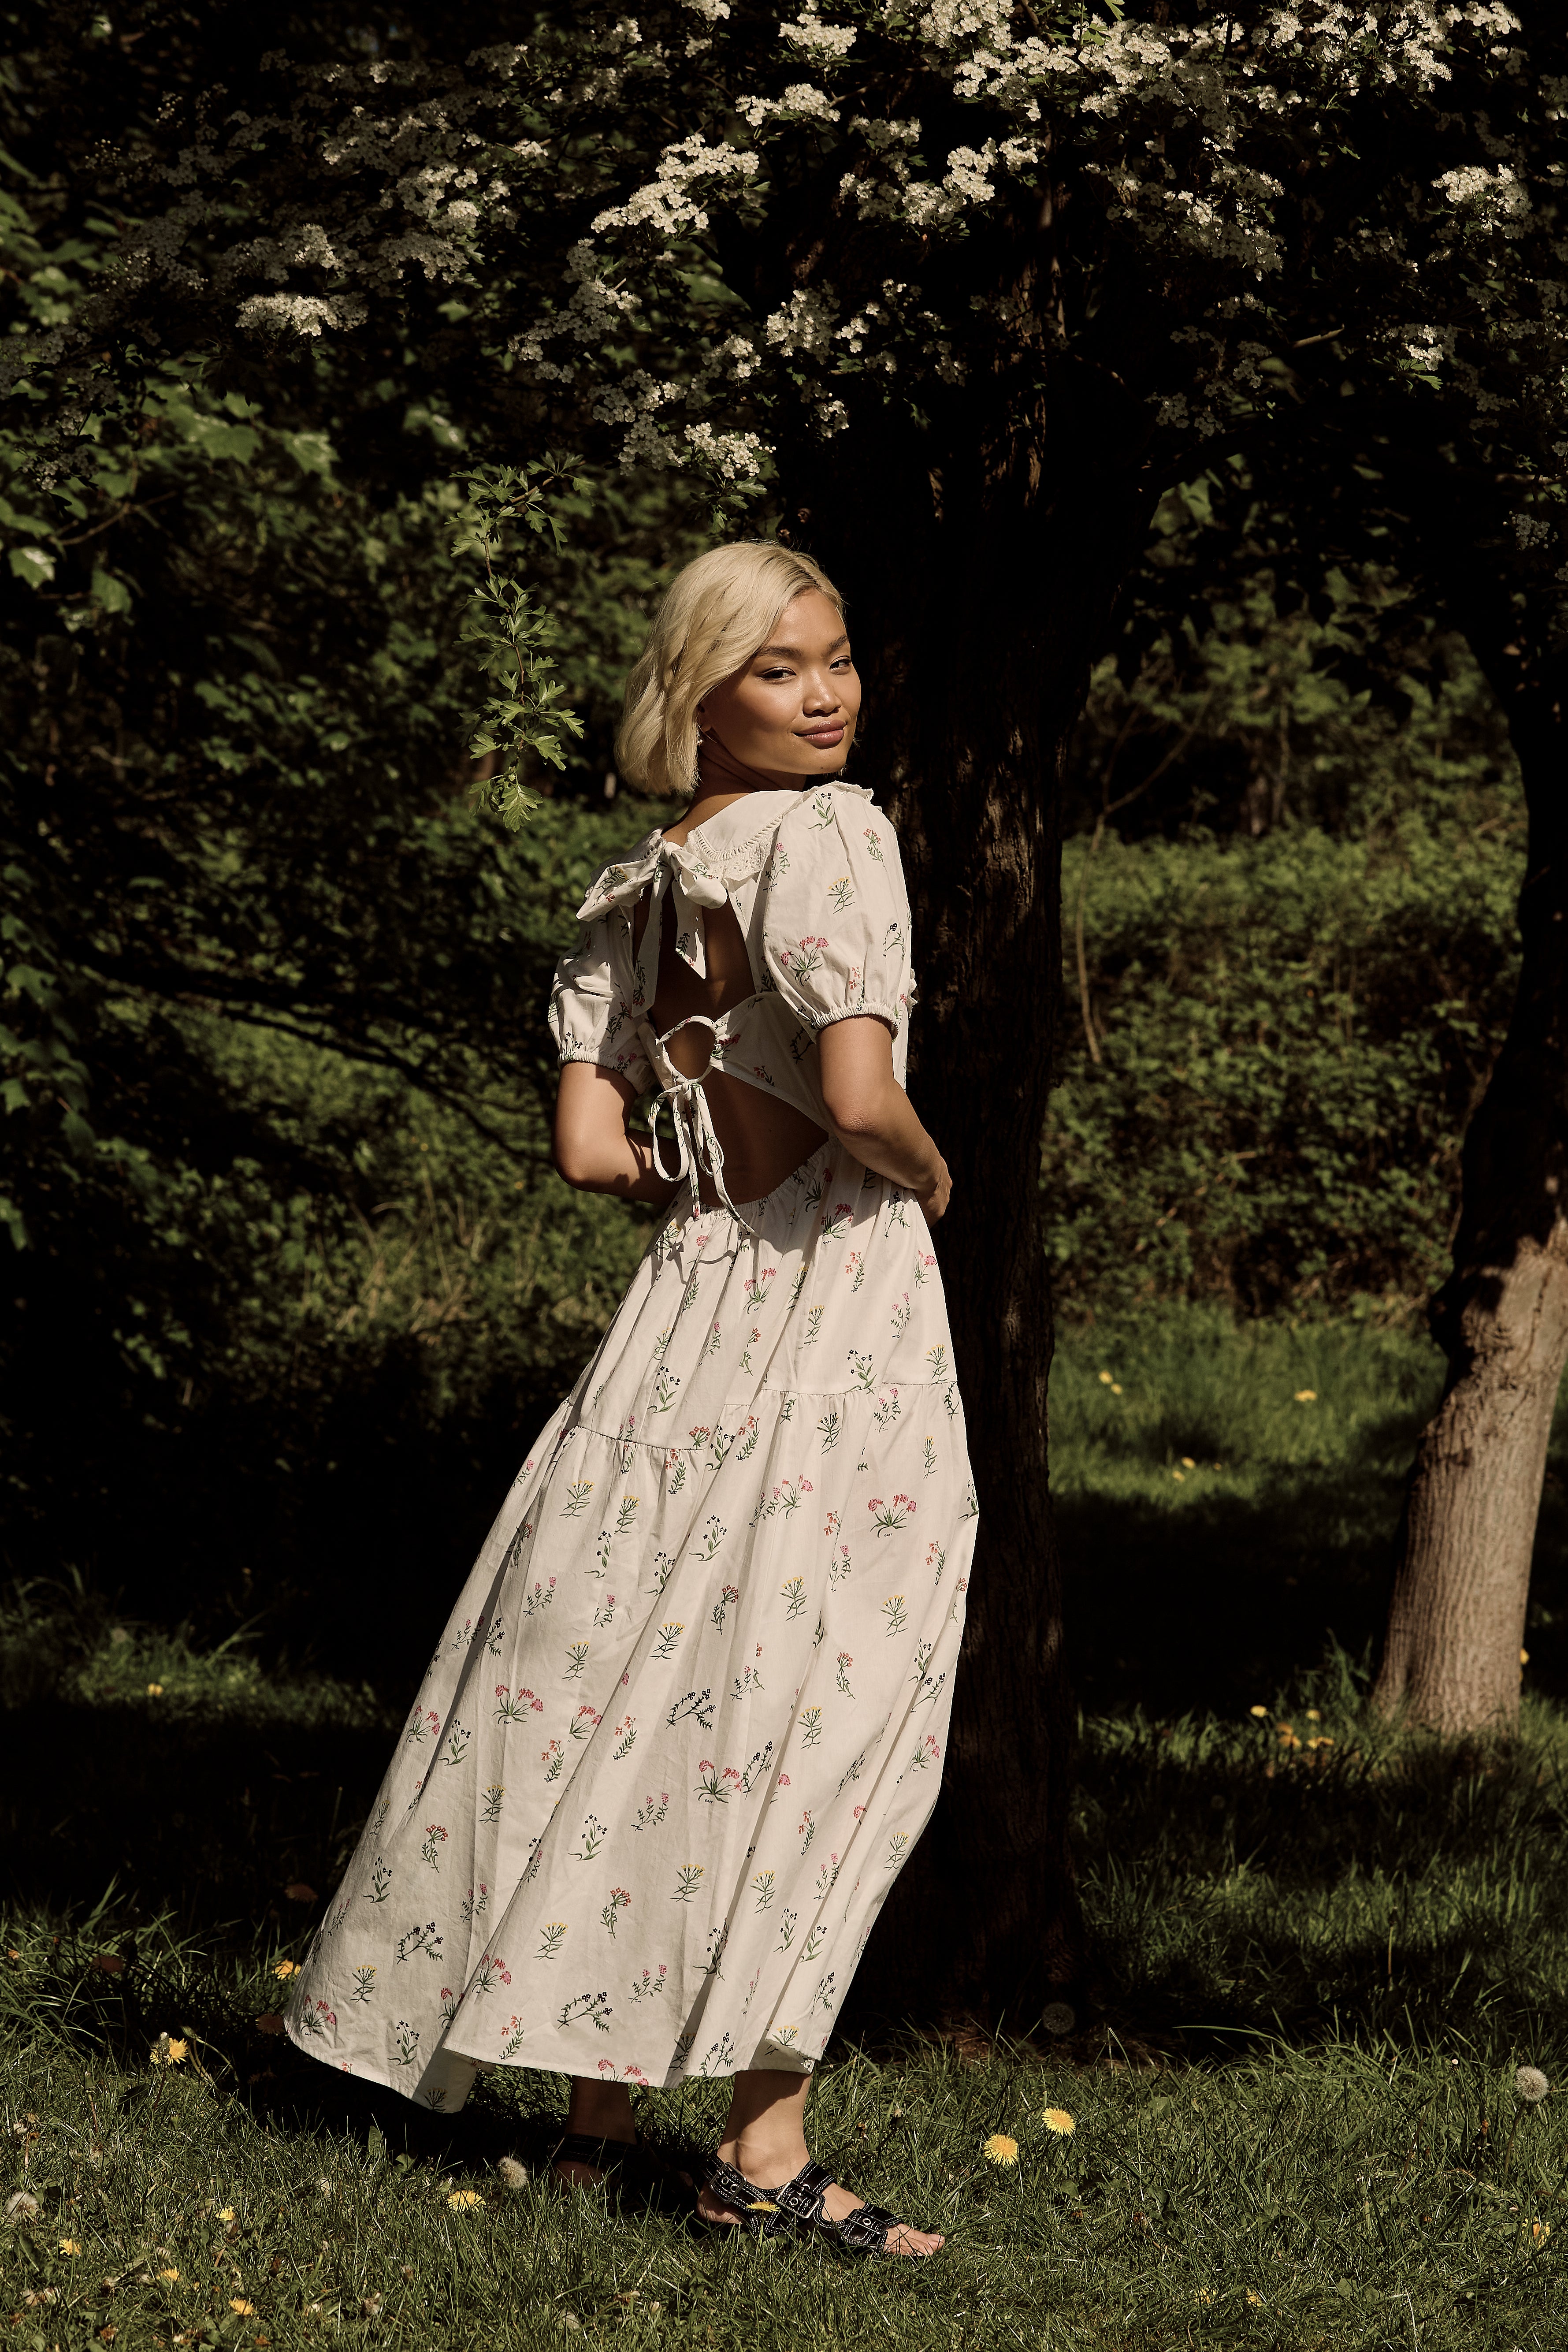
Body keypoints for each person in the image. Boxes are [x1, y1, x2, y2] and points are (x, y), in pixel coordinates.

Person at [283, 542, 977, 2258]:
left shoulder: (636, 884)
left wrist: (696, 1145)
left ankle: (592, 2128)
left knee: (639, 1676)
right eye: (774, 669)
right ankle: (762, 2148)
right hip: (833, 1307)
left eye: (833, 658)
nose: (822, 693)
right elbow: (855, 1087)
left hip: (683, 1314)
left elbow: (589, 1148)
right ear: (699, 691)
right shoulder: (829, 836)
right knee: (824, 1696)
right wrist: (929, 1170)